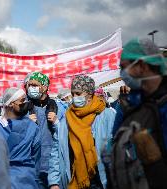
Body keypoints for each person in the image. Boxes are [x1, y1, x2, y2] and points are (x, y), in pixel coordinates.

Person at [110, 38, 167, 189]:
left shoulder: (163, 105)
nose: (122, 74)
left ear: (141, 65)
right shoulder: (130, 105)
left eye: (124, 67)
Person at [64, 75, 115, 189]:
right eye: (72, 94)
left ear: (89, 94)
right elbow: (57, 150)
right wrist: (54, 182)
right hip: (79, 179)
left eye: (78, 93)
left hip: (102, 179)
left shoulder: (106, 114)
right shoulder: (68, 117)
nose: (74, 97)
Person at [24, 72, 69, 189]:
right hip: (32, 165)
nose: (30, 88)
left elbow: (65, 135)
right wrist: (25, 124)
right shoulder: (25, 109)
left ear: (44, 87)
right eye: (29, 85)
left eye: (34, 85)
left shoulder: (58, 108)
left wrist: (56, 123)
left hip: (54, 165)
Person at [0, 87, 41, 189]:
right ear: (10, 103)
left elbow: (36, 156)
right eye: (22, 101)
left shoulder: (32, 127)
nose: (26, 103)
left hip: (24, 180)